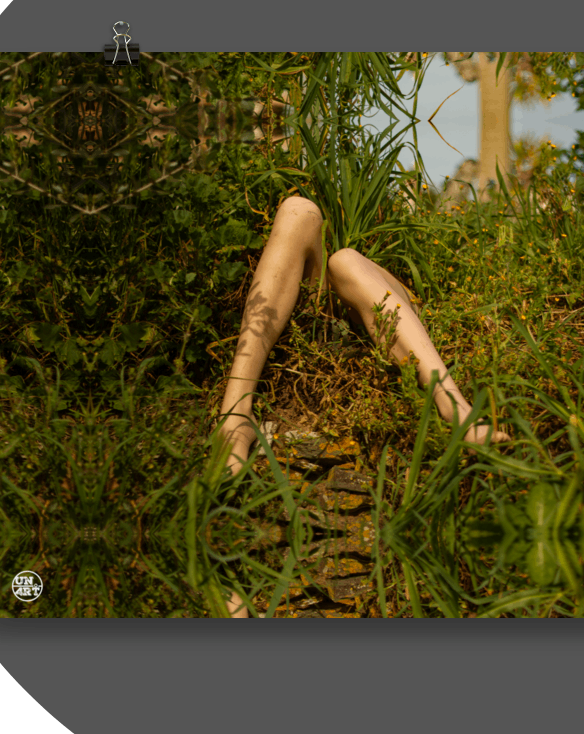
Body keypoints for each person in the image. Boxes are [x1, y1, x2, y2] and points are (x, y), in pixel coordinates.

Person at [212, 194, 510, 616]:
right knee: (299, 210)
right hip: (307, 306)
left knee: (347, 260)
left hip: (373, 308)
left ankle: (454, 409)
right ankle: (235, 415)